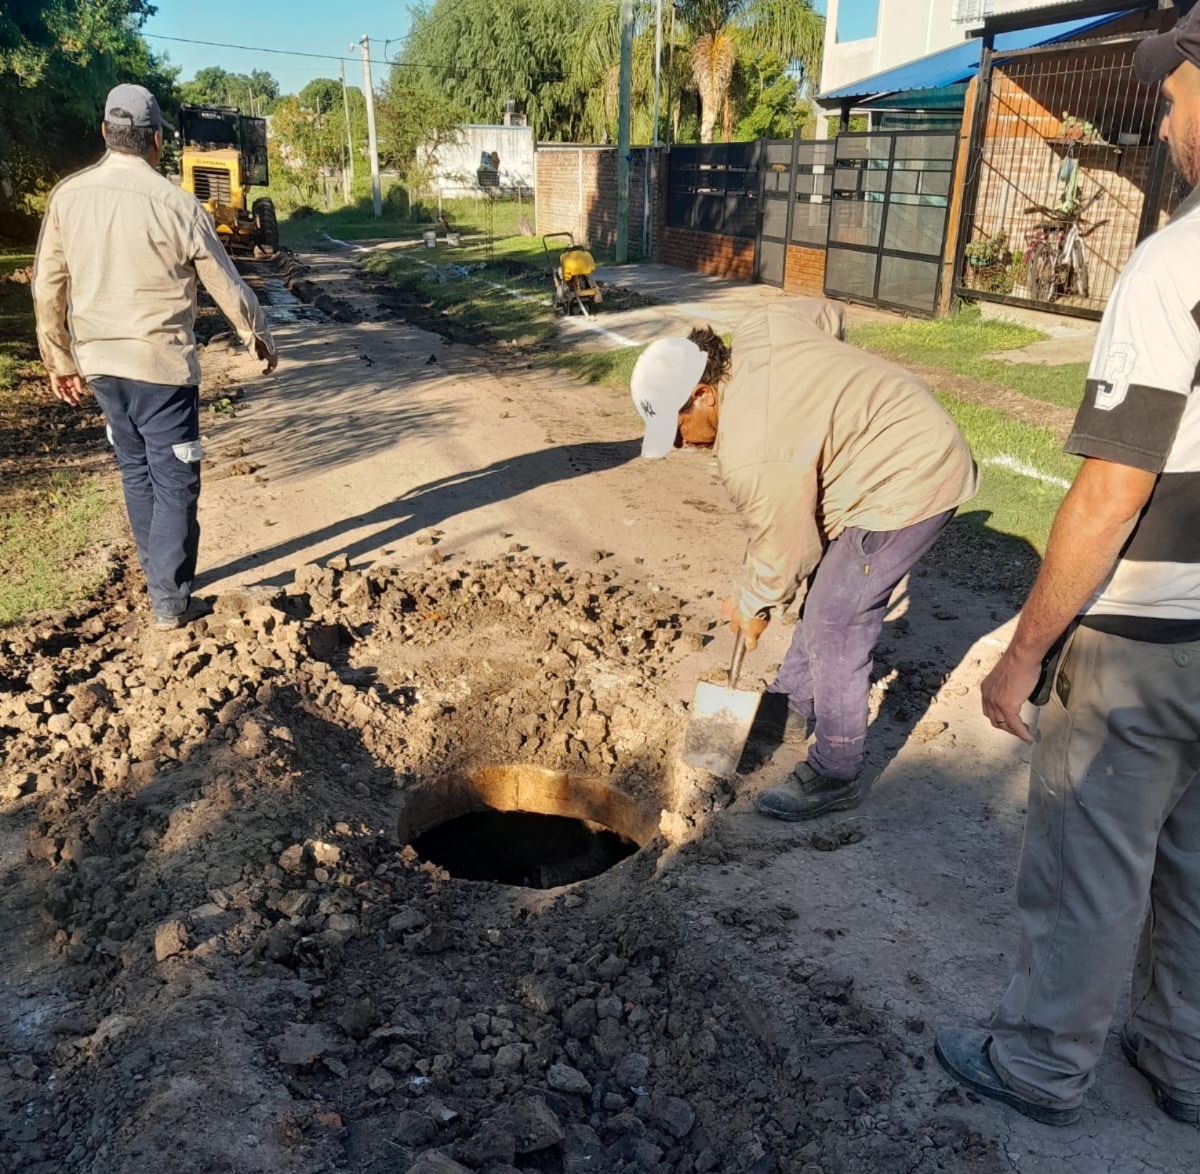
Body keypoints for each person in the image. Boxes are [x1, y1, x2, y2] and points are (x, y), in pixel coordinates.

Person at [934, 12, 1200, 1128]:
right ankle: (1184, 1055)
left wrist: (1026, 649)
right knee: (1195, 862)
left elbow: (1110, 488)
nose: (1171, 119)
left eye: (1181, 95)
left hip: (1146, 634)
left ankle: (1042, 1063)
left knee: (1091, 858)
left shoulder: (1175, 263)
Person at [630, 299, 978, 819]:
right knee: (828, 590)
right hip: (898, 443)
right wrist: (820, 396)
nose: (679, 444)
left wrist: (753, 605)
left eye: (677, 428)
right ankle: (791, 705)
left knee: (836, 618)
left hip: (910, 477)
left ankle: (834, 772)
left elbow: (788, 549)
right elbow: (826, 314)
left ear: (702, 395)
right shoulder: (762, 326)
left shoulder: (752, 452)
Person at [32, 84, 277, 631]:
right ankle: (169, 600)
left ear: (104, 133)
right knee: (175, 480)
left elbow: (47, 284)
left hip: (100, 366)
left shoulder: (67, 197)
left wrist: (59, 358)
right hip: (160, 369)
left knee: (137, 472)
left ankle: (159, 580)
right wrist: (256, 334)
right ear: (157, 141)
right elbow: (224, 281)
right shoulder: (176, 204)